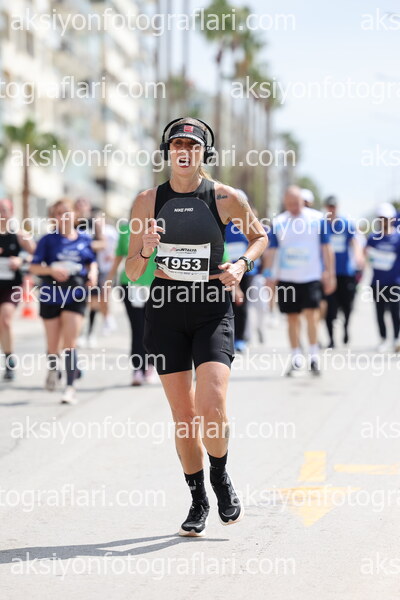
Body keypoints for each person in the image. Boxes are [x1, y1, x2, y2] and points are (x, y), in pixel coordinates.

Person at [126, 117, 267, 536]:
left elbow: (260, 237)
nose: (184, 151)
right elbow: (132, 272)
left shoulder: (225, 197)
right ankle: (198, 498)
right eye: (177, 145)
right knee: (184, 416)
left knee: (212, 403)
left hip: (211, 307)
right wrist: (145, 251)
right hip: (165, 308)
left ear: (205, 152)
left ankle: (220, 475)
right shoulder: (147, 200)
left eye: (192, 145)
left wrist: (241, 265)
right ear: (168, 152)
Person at [30, 198, 98, 403]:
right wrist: (51, 270)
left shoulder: (84, 238)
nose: (64, 217)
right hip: (51, 295)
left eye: (66, 212)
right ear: (54, 218)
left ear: (74, 215)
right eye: (58, 213)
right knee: (53, 345)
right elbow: (34, 267)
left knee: (70, 343)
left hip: (75, 295)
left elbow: (91, 261)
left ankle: (70, 387)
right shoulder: (47, 240)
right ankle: (53, 368)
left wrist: (93, 274)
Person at [264, 185, 335, 375]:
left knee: (311, 315)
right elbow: (271, 250)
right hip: (287, 278)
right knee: (292, 318)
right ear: (285, 203)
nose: (293, 207)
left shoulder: (317, 219)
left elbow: (327, 247)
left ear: (302, 201)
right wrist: (268, 274)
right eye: (289, 204)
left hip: (310, 276)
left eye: (296, 203)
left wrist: (330, 273)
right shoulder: (279, 222)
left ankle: (313, 356)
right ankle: (296, 357)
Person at [107, 214, 157, 386]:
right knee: (137, 328)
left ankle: (150, 365)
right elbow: (119, 257)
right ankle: (137, 369)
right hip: (131, 285)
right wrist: (108, 280)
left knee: (152, 328)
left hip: (154, 285)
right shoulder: (125, 230)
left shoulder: (160, 228)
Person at [0, 198, 35, 381]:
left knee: (5, 319)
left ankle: (9, 361)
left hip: (12, 285)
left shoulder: (19, 235)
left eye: (3, 210)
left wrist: (21, 260)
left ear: (11, 212)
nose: (1, 214)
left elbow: (37, 255)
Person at [323, 196, 364, 347]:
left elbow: (354, 242)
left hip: (345, 273)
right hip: (328, 273)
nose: (331, 209)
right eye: (329, 206)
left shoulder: (346, 224)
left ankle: (346, 327)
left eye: (333, 206)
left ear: (337, 207)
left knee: (347, 306)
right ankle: (331, 339)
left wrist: (359, 256)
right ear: (326, 207)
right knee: (329, 308)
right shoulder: (322, 225)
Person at [225, 190, 260, 352]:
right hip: (226, 269)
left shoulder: (249, 222)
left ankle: (240, 339)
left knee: (241, 304)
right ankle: (228, 338)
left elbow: (258, 243)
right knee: (227, 305)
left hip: (246, 271)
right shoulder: (224, 220)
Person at [366, 202, 400, 352]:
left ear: (392, 219)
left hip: (395, 282)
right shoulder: (373, 237)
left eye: (386, 218)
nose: (383, 221)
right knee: (380, 312)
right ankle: (383, 339)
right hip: (378, 282)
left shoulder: (398, 238)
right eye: (381, 218)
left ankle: (396, 338)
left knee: (395, 311)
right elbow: (366, 255)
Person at [74, 198, 105, 348]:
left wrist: (85, 245)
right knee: (79, 302)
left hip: (92, 267)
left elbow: (102, 243)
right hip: (76, 268)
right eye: (78, 205)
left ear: (89, 207)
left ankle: (91, 333)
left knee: (93, 302)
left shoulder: (94, 223)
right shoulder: (72, 223)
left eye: (84, 204)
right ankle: (79, 333)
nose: (81, 207)